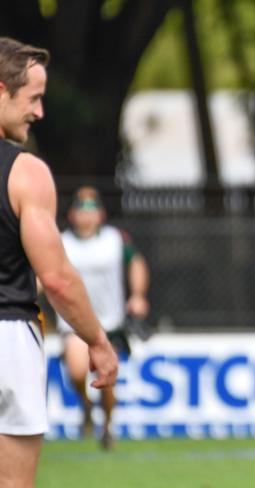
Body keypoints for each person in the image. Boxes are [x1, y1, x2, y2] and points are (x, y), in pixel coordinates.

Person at [0, 37, 118, 487]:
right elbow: (58, 279)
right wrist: (98, 342)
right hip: (9, 338)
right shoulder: (25, 172)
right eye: (33, 98)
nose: (40, 112)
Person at [55, 185, 150, 450]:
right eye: (81, 208)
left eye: (92, 208)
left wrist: (138, 295)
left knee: (106, 383)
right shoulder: (62, 242)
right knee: (76, 372)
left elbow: (136, 263)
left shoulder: (115, 239)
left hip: (109, 323)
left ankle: (107, 424)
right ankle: (86, 405)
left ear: (101, 213)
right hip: (73, 322)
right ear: (72, 214)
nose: (87, 214)